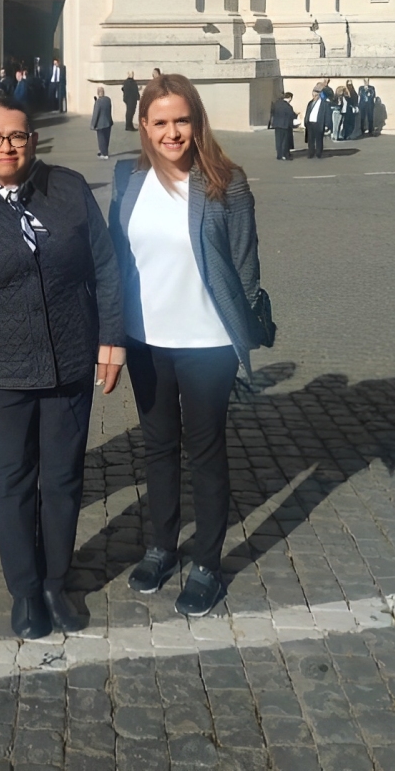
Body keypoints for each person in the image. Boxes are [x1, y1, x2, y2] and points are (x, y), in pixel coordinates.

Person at [0, 97, 123, 639]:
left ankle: (56, 581)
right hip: (3, 372)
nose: (6, 147)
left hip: (71, 361)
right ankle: (25, 590)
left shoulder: (68, 188)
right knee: (12, 483)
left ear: (34, 140)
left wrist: (111, 341)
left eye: (17, 136)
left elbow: (108, 265)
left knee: (65, 479)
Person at [108, 74, 266, 618]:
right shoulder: (127, 179)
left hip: (207, 341)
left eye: (181, 120)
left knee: (204, 451)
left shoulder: (226, 182)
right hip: (145, 339)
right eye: (160, 122)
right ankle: (161, 544)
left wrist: (242, 333)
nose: (171, 132)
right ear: (144, 126)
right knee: (155, 447)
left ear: (196, 122)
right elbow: (115, 260)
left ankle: (206, 563)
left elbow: (245, 266)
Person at [304, 87, 333, 159]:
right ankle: (311, 153)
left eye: (315, 95)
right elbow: (307, 112)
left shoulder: (325, 104)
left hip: (319, 123)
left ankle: (318, 153)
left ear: (319, 95)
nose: (314, 97)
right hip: (310, 123)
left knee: (319, 139)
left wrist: (327, 125)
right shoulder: (310, 103)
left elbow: (328, 114)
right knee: (310, 139)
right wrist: (306, 121)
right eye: (313, 95)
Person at [268, 92, 295, 161]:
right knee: (284, 141)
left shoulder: (277, 104)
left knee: (278, 141)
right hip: (285, 125)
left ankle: (279, 155)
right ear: (290, 98)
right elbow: (291, 115)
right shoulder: (288, 107)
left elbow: (272, 112)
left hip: (277, 124)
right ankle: (285, 155)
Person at [90, 86, 113, 159]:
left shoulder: (98, 102)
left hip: (100, 123)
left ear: (98, 93)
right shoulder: (108, 100)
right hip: (108, 122)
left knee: (101, 139)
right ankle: (105, 151)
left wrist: (93, 125)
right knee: (106, 138)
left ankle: (104, 154)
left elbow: (96, 114)